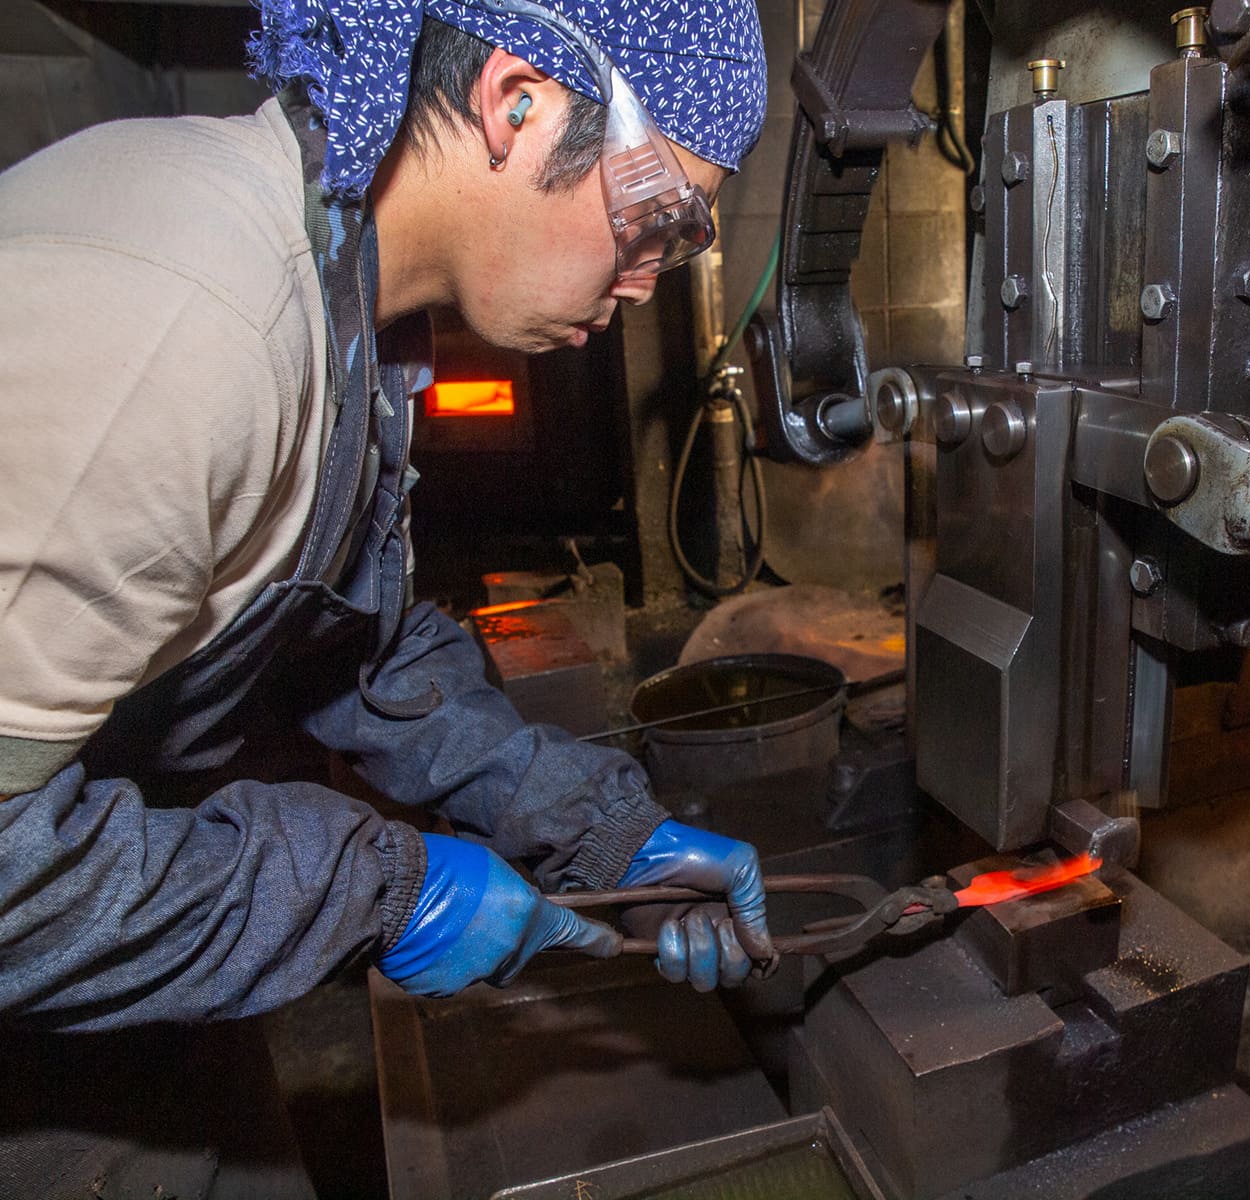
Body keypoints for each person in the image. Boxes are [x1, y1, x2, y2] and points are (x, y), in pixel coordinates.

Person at [0, 0, 769, 1190]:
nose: (645, 283)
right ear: (516, 101)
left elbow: (348, 651)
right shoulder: (190, 314)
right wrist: (373, 893)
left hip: (109, 940)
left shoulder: (352, 309)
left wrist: (599, 830)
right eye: (661, 216)